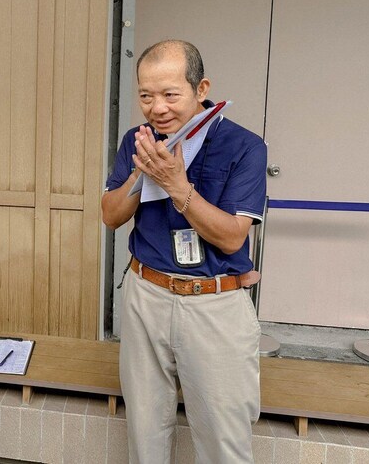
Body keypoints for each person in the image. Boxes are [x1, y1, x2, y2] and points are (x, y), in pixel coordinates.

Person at [102, 40, 267, 463]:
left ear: (201, 88)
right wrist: (141, 174)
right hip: (147, 294)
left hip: (213, 303)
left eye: (170, 94)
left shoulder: (245, 146)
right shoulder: (136, 141)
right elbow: (110, 215)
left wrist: (177, 185)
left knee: (222, 440)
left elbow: (232, 238)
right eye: (145, 96)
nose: (157, 108)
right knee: (146, 431)